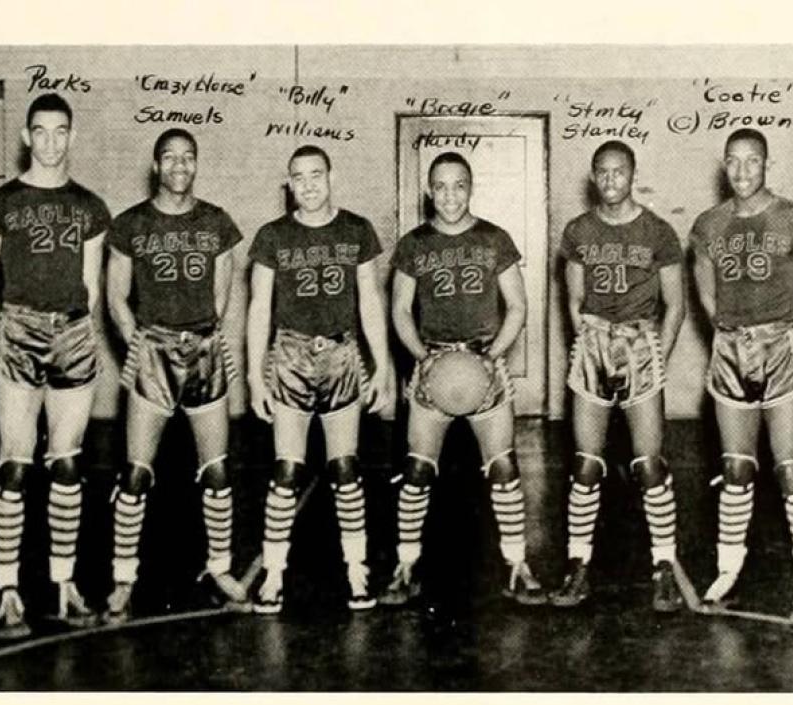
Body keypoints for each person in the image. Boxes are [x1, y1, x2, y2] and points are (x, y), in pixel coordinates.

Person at [380, 150, 544, 607]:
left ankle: (518, 564)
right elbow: (398, 309)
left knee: (504, 467)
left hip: (483, 367)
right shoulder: (414, 244)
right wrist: (421, 357)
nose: (450, 195)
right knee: (417, 470)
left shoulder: (495, 238)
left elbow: (518, 306)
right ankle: (404, 565)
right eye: (441, 186)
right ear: (429, 191)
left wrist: (493, 356)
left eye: (460, 185)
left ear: (471, 188)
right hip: (434, 367)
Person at [0, 93, 111, 638]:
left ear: (71, 136)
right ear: (27, 136)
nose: (51, 142)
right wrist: (0, 342)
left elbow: (94, 287)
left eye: (61, 132)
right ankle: (7, 591)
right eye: (41, 131)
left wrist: (76, 333)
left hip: (72, 333)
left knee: (68, 463)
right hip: (18, 331)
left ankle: (63, 583)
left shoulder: (91, 206)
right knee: (14, 462)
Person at [103, 129, 246, 622]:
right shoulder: (131, 223)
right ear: (156, 165)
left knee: (218, 470)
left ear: (196, 165)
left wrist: (207, 337)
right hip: (153, 351)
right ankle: (124, 577)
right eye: (171, 158)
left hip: (203, 351)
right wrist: (136, 339)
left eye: (189, 158)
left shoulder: (217, 221)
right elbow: (115, 295)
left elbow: (223, 293)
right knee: (137, 473)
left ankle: (220, 566)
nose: (180, 166)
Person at [245, 145, 393, 613]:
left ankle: (357, 569)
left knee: (345, 469)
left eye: (316, 175)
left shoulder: (356, 229)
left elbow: (371, 301)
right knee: (287, 470)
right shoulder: (273, 235)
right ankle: (272, 573)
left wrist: (381, 366)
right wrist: (254, 377)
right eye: (298, 177)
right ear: (288, 183)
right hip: (290, 353)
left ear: (331, 177)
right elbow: (257, 310)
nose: (308, 185)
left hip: (342, 352)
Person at [690, 129, 793, 616]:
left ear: (767, 164)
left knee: (790, 466)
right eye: (733, 161)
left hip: (782, 346)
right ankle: (729, 567)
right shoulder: (709, 225)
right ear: (724, 166)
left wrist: (788, 333)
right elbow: (706, 292)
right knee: (736, 467)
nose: (743, 171)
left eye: (752, 161)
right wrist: (727, 332)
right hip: (732, 349)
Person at [549, 140, 687, 610]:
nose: (611, 180)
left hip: (640, 346)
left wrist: (656, 356)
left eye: (619, 172)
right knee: (586, 463)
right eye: (602, 173)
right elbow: (572, 299)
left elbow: (676, 305)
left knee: (649, 464)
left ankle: (663, 564)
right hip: (594, 346)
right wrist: (587, 344)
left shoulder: (657, 231)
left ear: (632, 174)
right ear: (593, 177)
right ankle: (577, 564)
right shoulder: (578, 231)